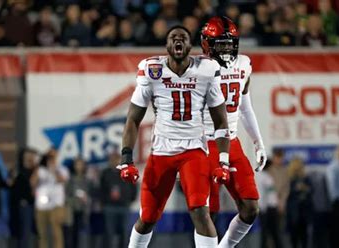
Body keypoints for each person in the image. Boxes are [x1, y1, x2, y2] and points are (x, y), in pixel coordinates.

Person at [117, 25, 231, 248]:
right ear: (167, 44)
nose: (178, 41)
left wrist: (224, 160)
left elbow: (220, 120)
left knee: (200, 210)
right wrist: (125, 158)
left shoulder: (206, 70)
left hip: (194, 150)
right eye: (173, 37)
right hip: (161, 150)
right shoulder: (152, 70)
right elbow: (133, 119)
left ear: (190, 45)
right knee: (148, 217)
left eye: (183, 38)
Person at [200, 16, 267, 248]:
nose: (227, 49)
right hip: (205, 143)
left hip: (232, 140)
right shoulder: (197, 69)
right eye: (221, 43)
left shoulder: (244, 64)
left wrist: (258, 142)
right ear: (207, 44)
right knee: (209, 213)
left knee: (250, 208)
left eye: (230, 43)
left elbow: (245, 107)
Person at [31, 149, 69, 248]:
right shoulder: (41, 170)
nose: (51, 159)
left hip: (56, 205)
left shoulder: (62, 169)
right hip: (41, 205)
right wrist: (38, 166)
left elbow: (61, 180)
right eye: (49, 157)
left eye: (53, 157)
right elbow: (32, 182)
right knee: (42, 233)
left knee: (56, 232)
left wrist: (54, 169)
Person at [100, 151, 137, 248]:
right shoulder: (105, 173)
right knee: (109, 233)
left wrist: (130, 200)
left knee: (124, 233)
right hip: (109, 207)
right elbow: (101, 189)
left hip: (123, 206)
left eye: (116, 158)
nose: (114, 161)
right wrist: (104, 202)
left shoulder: (127, 172)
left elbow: (133, 186)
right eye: (112, 158)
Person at [9, 147, 38, 248]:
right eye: (28, 156)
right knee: (23, 233)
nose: (31, 158)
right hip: (23, 205)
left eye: (32, 156)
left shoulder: (36, 170)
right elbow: (10, 184)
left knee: (37, 233)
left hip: (37, 204)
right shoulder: (18, 170)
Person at [286, 157, 313, 248]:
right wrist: (296, 189)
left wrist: (305, 188)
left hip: (304, 212)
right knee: (294, 237)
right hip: (294, 212)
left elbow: (312, 190)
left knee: (304, 237)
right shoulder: (289, 179)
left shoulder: (306, 178)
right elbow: (287, 194)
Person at [65, 157, 90, 248]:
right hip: (72, 211)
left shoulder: (87, 180)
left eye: (81, 164)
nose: (79, 166)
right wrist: (75, 199)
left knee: (81, 236)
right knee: (71, 236)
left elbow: (91, 194)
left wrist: (87, 199)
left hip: (83, 211)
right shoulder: (71, 180)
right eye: (77, 164)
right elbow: (66, 195)